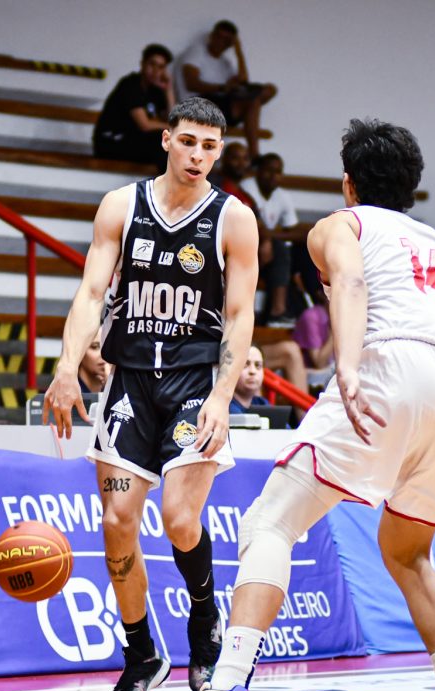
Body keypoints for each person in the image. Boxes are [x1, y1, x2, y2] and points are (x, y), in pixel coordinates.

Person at [130, 119, 435, 691]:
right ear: (412, 187)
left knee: (271, 520)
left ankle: (227, 686)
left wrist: (347, 365)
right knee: (410, 554)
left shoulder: (340, 225)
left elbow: (348, 281)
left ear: (349, 183)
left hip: (389, 367)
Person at [42, 97, 259, 691]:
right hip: (129, 380)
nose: (197, 155)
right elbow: (91, 293)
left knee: (180, 519)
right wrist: (66, 368)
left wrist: (222, 396)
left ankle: (204, 620)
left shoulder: (234, 218)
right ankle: (140, 655)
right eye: (188, 141)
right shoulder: (121, 205)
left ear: (220, 152)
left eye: (210, 147)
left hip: (194, 383)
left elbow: (240, 315)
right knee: (117, 523)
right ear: (166, 140)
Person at [176, 20, 277, 160]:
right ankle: (254, 155)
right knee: (252, 101)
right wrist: (222, 87)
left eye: (226, 40)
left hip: (221, 106)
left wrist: (238, 51)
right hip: (197, 105)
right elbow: (191, 84)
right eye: (219, 36)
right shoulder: (197, 52)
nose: (220, 42)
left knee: (266, 91)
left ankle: (254, 156)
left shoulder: (225, 63)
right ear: (212, 36)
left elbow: (243, 80)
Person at [242, 153, 303, 326]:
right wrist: (266, 238)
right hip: (243, 246)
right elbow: (248, 226)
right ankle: (278, 312)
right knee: (279, 248)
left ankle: (317, 308)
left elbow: (295, 231)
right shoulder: (247, 188)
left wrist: (269, 236)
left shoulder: (282, 195)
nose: (273, 176)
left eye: (278, 172)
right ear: (258, 171)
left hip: (267, 252)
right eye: (269, 170)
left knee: (301, 250)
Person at [92, 44, 175, 170]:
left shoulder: (156, 91)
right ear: (142, 64)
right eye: (152, 64)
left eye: (160, 67)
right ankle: (170, 181)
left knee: (172, 142)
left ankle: (173, 181)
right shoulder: (131, 85)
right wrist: (174, 128)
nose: (155, 71)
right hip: (112, 142)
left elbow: (171, 120)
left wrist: (168, 90)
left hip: (133, 142)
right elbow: (145, 125)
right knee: (162, 141)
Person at [229, 345, 269, 413]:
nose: (252, 371)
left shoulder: (262, 403)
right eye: (245, 364)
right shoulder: (223, 408)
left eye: (258, 365)